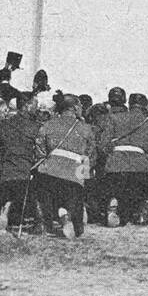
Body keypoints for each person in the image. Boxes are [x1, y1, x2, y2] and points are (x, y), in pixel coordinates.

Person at [33, 92, 96, 239]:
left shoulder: (47, 125)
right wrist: (82, 179)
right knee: (78, 229)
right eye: (80, 106)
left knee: (46, 195)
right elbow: (89, 156)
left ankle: (53, 219)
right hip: (74, 174)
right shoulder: (86, 129)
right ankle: (68, 216)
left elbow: (40, 152)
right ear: (74, 108)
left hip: (49, 173)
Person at [95, 91, 148, 227]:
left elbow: (102, 145)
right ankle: (140, 213)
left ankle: (114, 205)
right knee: (139, 191)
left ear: (129, 105)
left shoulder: (114, 118)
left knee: (115, 188)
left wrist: (110, 156)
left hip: (115, 163)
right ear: (145, 106)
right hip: (139, 166)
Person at [0, 91, 42, 230]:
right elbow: (40, 153)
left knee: (10, 194)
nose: (38, 107)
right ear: (27, 105)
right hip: (27, 174)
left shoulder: (3, 125)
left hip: (6, 173)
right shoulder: (36, 127)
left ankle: (6, 206)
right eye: (35, 104)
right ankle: (38, 219)